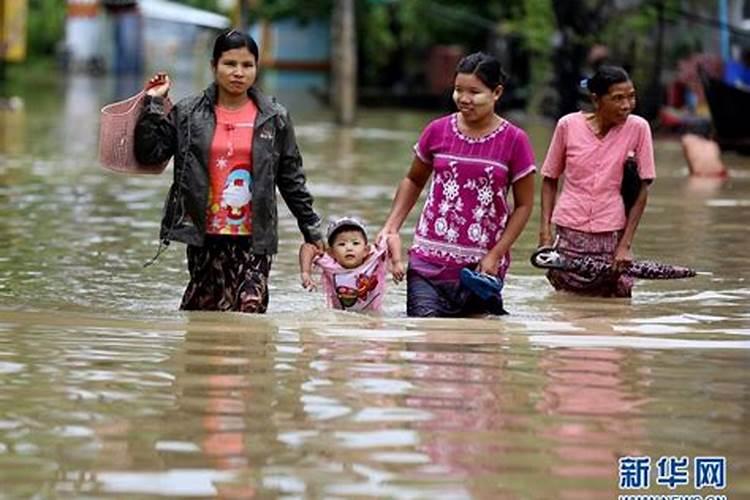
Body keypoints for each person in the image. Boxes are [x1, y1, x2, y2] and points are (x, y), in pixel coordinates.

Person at [134, 29, 323, 313]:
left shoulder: (274, 118)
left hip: (255, 236)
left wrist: (311, 228)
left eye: (247, 65)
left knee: (251, 305)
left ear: (256, 69)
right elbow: (150, 153)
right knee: (206, 310)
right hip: (204, 232)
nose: (238, 72)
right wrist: (153, 103)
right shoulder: (188, 113)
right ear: (214, 66)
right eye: (230, 64)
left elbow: (291, 179)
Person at [379, 52, 536, 317]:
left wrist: (496, 254)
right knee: (424, 337)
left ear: (496, 93)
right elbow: (413, 179)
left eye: (474, 92)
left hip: (480, 268)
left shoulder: (515, 140)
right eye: (458, 90)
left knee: (475, 347)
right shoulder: (437, 131)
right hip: (426, 262)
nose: (463, 99)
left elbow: (524, 206)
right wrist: (390, 226)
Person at [538, 65, 656, 298]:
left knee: (614, 299)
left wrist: (625, 245)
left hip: (611, 233)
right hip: (569, 232)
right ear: (596, 99)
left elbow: (642, 190)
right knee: (567, 298)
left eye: (631, 97)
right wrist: (545, 234)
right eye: (618, 98)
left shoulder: (638, 128)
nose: (626, 105)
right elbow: (550, 178)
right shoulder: (568, 125)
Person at [299, 217, 404, 313]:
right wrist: (305, 272)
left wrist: (396, 262)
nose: (349, 248)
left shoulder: (373, 258)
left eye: (355, 243)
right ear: (331, 252)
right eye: (342, 244)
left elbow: (392, 237)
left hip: (373, 315)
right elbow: (308, 247)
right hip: (341, 316)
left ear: (366, 250)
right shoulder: (330, 263)